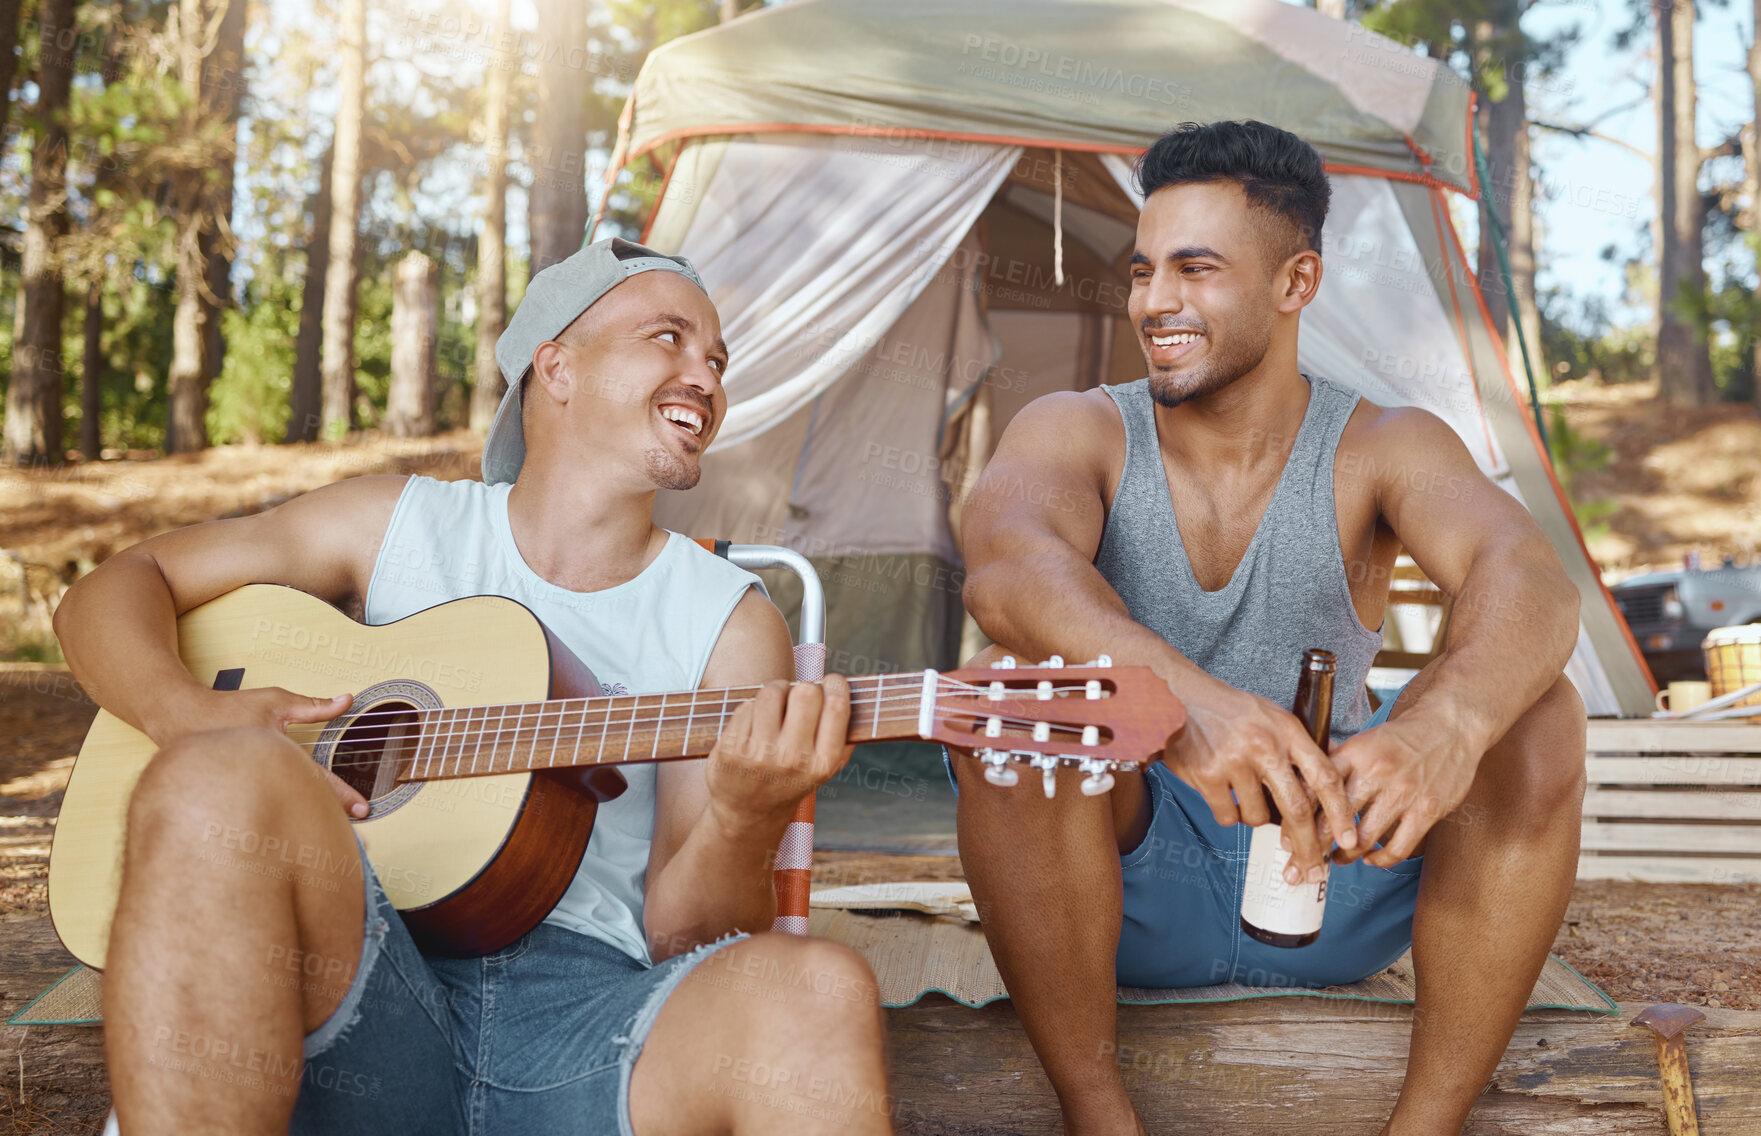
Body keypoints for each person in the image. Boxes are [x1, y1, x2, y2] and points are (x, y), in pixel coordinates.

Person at [55, 237, 892, 1136]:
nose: (707, 375)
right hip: (355, 982)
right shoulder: (394, 526)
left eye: (717, 360)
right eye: (668, 338)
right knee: (215, 774)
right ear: (557, 367)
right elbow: (110, 591)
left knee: (817, 989)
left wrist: (744, 815)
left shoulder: (729, 619)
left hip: (586, 1025)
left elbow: (683, 942)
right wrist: (189, 716)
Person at [952, 121, 1586, 1135]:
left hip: (1331, 872)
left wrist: (1443, 726)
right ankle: (1096, 1111)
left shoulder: (1383, 443)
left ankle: (1425, 1124)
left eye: (1197, 269)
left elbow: (1534, 580)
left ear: (1297, 283)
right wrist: (1187, 703)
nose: (1156, 302)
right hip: (1119, 891)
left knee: (1539, 714)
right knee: (1020, 697)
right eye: (1145, 270)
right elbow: (1007, 567)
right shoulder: (1078, 426)